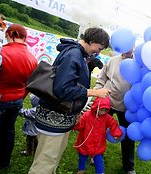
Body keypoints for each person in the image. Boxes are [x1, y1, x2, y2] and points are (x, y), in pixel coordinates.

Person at [28, 27, 111, 174]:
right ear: (91, 41)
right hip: (53, 121)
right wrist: (94, 92)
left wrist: (76, 111)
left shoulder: (77, 54)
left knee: (51, 161)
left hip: (59, 119)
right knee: (45, 163)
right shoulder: (74, 55)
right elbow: (63, 89)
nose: (99, 52)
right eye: (99, 48)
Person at [0, 23, 38, 170]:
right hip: (17, 100)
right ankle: (4, 162)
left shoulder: (2, 52)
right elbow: (30, 84)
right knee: (8, 130)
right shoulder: (33, 59)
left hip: (1, 98)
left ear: (10, 34)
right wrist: (21, 96)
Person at [95, 48, 136, 174]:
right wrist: (98, 90)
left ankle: (128, 166)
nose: (128, 49)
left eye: (131, 45)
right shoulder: (113, 61)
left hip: (127, 107)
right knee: (99, 130)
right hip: (108, 102)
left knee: (129, 136)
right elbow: (102, 77)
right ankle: (97, 155)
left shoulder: (139, 63)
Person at [74, 97, 123, 174]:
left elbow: (113, 124)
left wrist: (116, 133)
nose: (103, 112)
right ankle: (81, 169)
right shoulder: (87, 115)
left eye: (105, 110)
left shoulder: (107, 118)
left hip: (98, 144)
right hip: (85, 141)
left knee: (98, 160)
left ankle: (100, 172)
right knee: (82, 157)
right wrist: (77, 123)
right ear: (96, 107)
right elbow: (80, 126)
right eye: (101, 109)